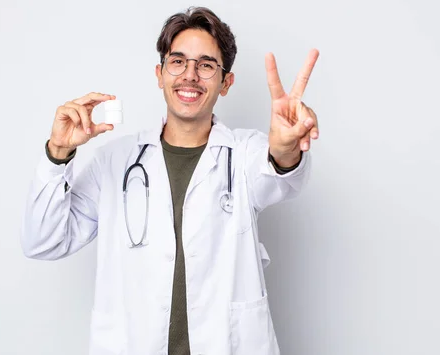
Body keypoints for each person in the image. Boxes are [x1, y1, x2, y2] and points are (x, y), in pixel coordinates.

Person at [22, 6, 319, 355]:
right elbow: (43, 241)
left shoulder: (242, 154)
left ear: (226, 83)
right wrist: (57, 153)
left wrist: (285, 149)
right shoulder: (114, 162)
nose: (190, 75)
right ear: (160, 73)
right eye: (177, 61)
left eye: (206, 65)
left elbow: (279, 174)